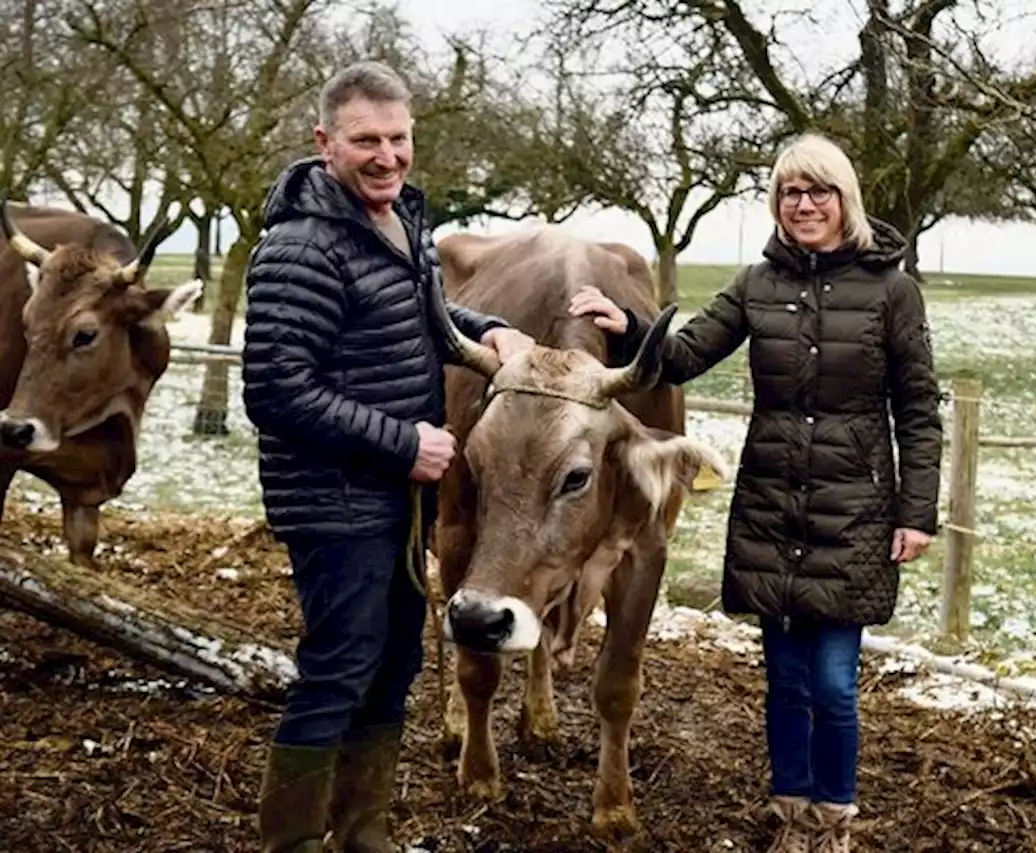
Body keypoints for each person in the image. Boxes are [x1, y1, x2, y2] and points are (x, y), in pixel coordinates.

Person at [570, 132, 942, 853]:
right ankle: (790, 816)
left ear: (845, 199)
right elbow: (683, 355)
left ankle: (831, 821)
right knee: (784, 682)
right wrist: (627, 332)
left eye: (818, 191)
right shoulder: (756, 284)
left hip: (855, 512)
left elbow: (919, 409)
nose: (803, 205)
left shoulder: (893, 291)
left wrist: (916, 511)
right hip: (773, 506)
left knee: (833, 685)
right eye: (789, 193)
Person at [241, 60, 533, 853]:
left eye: (398, 138)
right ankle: (293, 839)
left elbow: (425, 311)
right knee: (340, 667)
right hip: (334, 499)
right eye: (365, 140)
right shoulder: (301, 247)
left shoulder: (398, 220)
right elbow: (273, 389)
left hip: (397, 503)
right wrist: (402, 441)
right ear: (324, 143)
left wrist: (490, 328)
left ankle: (363, 830)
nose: (386, 156)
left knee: (394, 662)